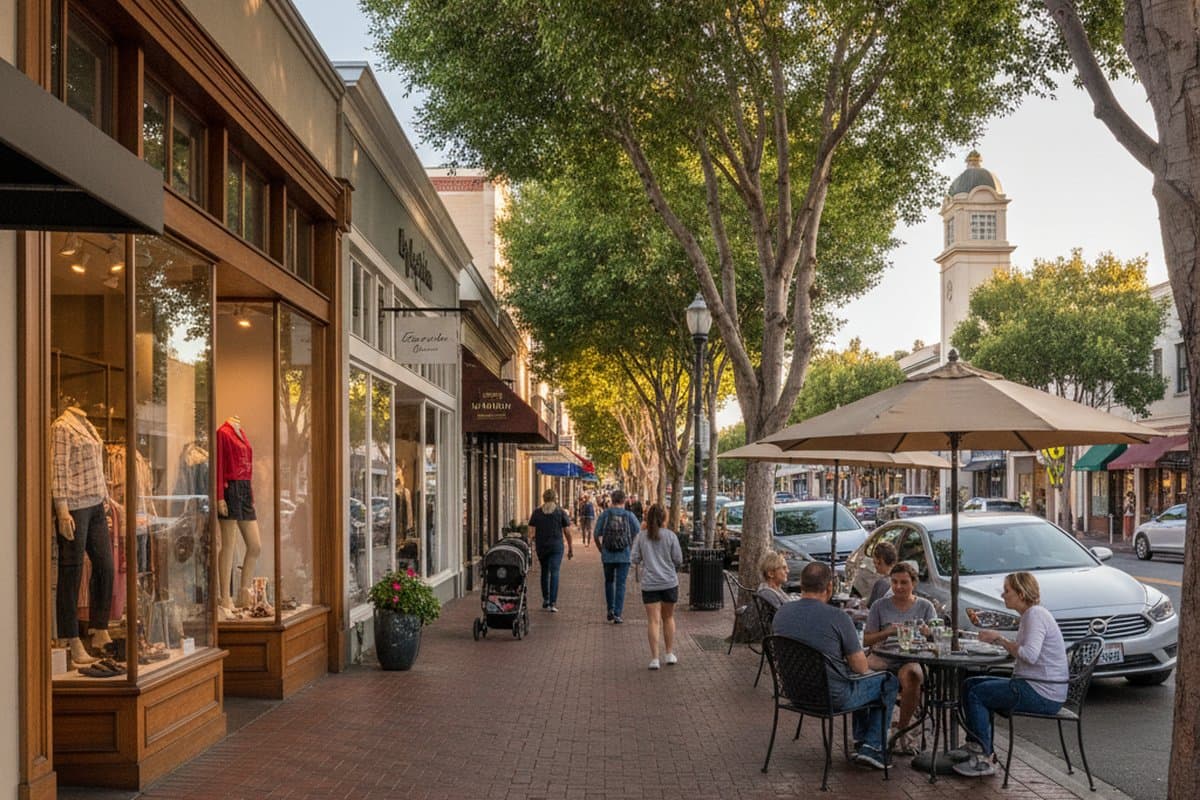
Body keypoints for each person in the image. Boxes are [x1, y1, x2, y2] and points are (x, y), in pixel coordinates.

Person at [772, 562, 899, 769]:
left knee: (858, 679)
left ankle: (862, 740)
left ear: (801, 585)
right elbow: (860, 667)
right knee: (886, 681)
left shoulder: (782, 613)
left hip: (793, 693)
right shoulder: (838, 617)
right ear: (829, 587)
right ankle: (873, 747)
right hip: (832, 697)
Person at [955, 571, 1068, 778]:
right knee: (970, 684)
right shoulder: (1030, 615)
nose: (1002, 595)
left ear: (1021, 594)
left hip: (1041, 693)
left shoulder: (1035, 615)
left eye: (1007, 591)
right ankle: (975, 744)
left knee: (977, 694)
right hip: (1036, 685)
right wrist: (1002, 642)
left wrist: (1000, 639)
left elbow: (1029, 655)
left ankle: (983, 758)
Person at [862, 562, 936, 754]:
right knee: (862, 670)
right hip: (885, 654)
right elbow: (867, 639)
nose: (898, 587)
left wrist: (929, 633)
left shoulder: (925, 606)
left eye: (904, 582)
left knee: (912, 674)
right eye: (894, 582)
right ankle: (868, 733)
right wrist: (887, 632)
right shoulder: (880, 606)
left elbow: (937, 639)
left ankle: (902, 729)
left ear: (914, 584)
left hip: (912, 656)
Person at [631, 503, 683, 669]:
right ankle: (669, 653)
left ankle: (654, 658)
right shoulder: (671, 536)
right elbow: (678, 559)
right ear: (664, 518)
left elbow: (634, 558)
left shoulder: (641, 537)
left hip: (650, 584)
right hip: (669, 582)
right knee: (668, 618)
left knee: (653, 621)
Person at [593, 489, 640, 623]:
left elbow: (596, 534)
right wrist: (631, 547)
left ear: (612, 500)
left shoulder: (605, 515)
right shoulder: (629, 515)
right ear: (624, 500)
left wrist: (601, 549)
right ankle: (618, 614)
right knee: (621, 584)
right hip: (624, 555)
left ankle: (610, 609)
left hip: (607, 555)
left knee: (609, 582)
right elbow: (638, 532)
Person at [527, 489, 573, 612]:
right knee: (555, 572)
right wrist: (570, 547)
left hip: (542, 546)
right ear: (555, 498)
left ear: (544, 498)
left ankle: (546, 599)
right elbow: (567, 531)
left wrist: (529, 544)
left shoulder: (537, 512)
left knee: (544, 572)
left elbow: (531, 532)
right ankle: (552, 602)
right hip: (556, 546)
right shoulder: (560, 512)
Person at [865, 541, 898, 607]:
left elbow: (872, 611)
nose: (874, 565)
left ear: (879, 561)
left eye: (874, 562)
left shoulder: (882, 584)